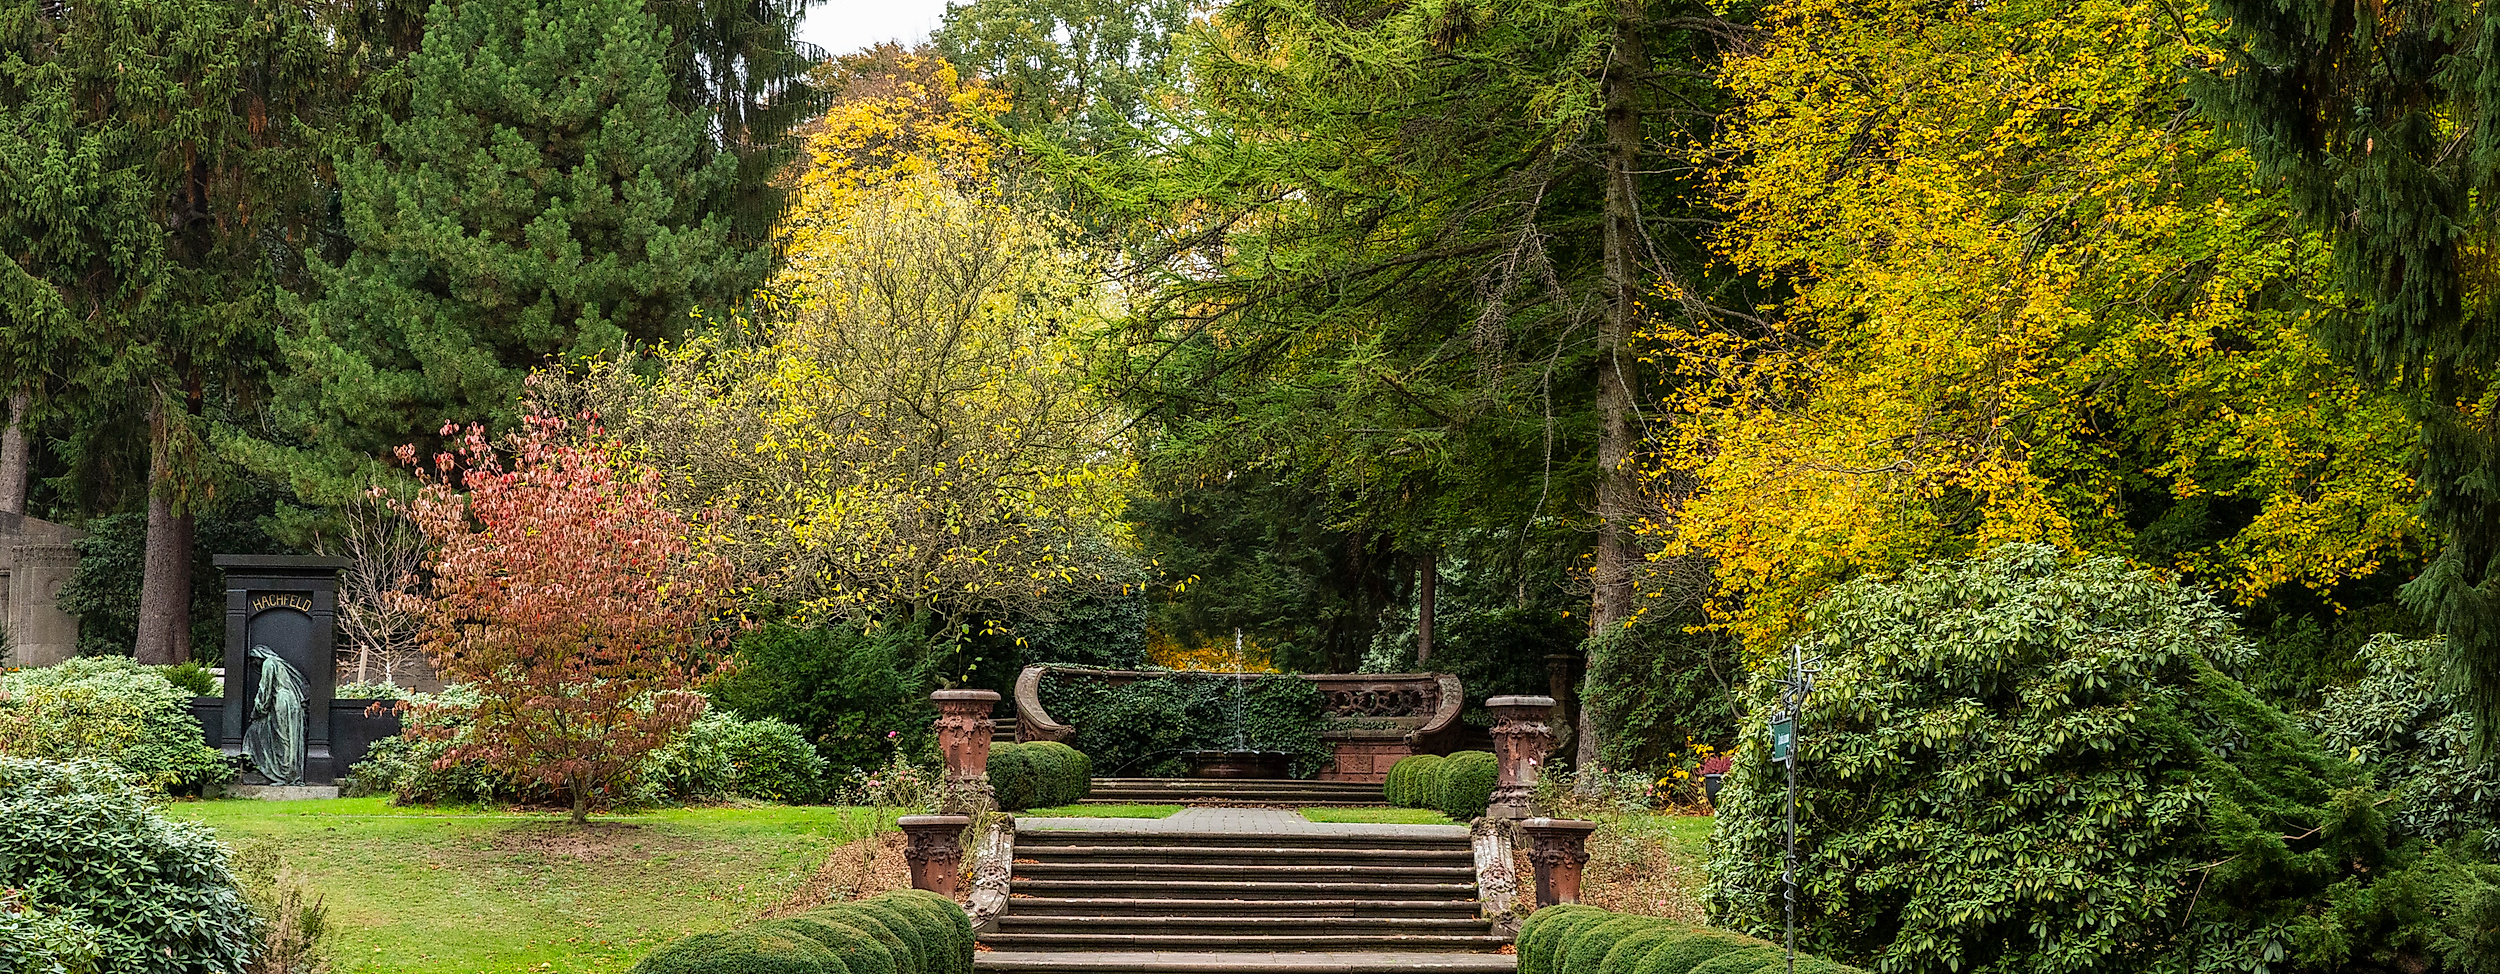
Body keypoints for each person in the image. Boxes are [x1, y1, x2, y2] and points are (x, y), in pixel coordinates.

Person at [244, 644, 308, 785]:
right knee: (291, 739)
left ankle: (284, 775)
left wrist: (257, 711)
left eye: (254, 659)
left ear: (260, 656)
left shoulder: (269, 663)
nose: (254, 663)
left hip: (282, 701)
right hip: (293, 702)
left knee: (283, 739)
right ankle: (291, 773)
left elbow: (264, 691)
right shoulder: (280, 663)